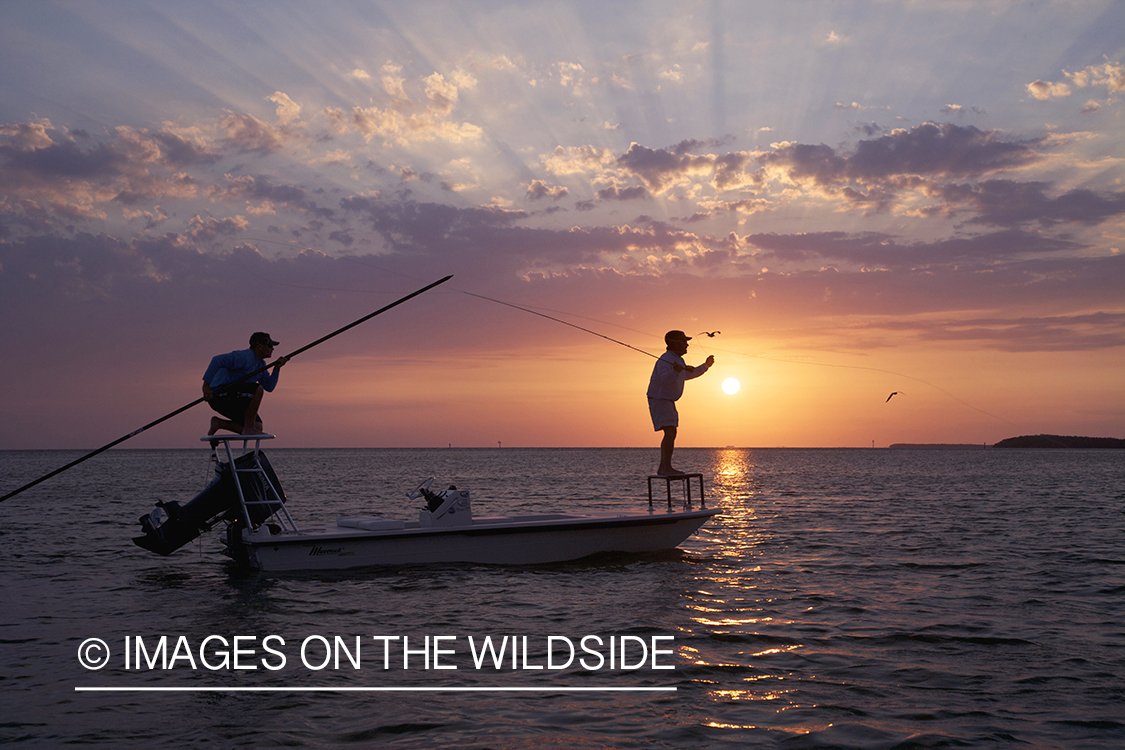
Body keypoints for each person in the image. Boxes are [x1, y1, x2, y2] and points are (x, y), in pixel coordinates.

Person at [647, 330, 714, 475]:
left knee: (671, 431)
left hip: (667, 401)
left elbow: (689, 374)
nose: (687, 345)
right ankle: (665, 468)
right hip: (660, 399)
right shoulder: (665, 359)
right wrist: (675, 371)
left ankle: (664, 467)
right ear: (675, 344)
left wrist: (706, 366)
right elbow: (664, 380)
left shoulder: (678, 360)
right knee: (670, 431)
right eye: (684, 342)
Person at [203, 332, 290, 436]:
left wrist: (277, 369)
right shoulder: (245, 357)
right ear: (260, 346)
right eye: (270, 346)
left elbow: (269, 387)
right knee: (257, 389)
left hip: (235, 398)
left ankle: (219, 423)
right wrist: (206, 386)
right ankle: (249, 428)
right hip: (219, 396)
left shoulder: (261, 365)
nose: (273, 349)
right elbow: (217, 360)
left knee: (257, 426)